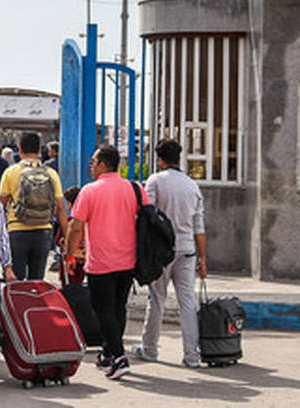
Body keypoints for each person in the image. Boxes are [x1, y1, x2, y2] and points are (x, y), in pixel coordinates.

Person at [64, 145, 146, 380]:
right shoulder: (134, 188)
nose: (91, 166)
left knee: (103, 311)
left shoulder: (89, 191)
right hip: (128, 261)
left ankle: (119, 358)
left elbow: (75, 227)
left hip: (101, 263)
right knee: (118, 308)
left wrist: (69, 255)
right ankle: (109, 353)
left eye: (93, 162)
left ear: (102, 164)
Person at [132, 140, 206, 368]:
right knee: (187, 302)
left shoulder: (155, 181)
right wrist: (203, 259)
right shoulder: (192, 186)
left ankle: (149, 349)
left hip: (161, 251)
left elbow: (147, 213)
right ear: (179, 157)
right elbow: (199, 228)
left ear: (160, 159)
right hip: (187, 250)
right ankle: (192, 356)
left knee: (157, 299)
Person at [0, 132, 69, 280]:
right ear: (39, 150)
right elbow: (60, 208)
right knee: (37, 281)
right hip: (43, 231)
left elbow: (0, 206)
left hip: (17, 230)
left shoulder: (11, 172)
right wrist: (65, 236)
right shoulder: (51, 174)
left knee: (16, 282)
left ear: (20, 149)